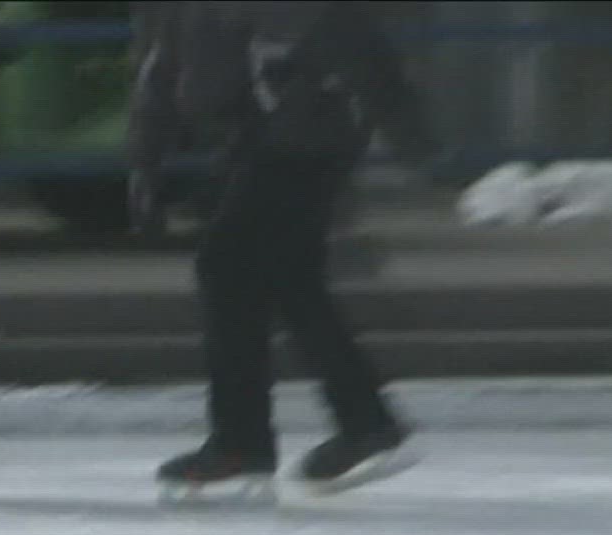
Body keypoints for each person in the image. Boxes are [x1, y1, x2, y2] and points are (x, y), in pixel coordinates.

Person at [130, 1, 436, 503]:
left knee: (228, 266)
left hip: (301, 130)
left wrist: (404, 126)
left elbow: (344, 31)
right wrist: (146, 162)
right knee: (288, 279)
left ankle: (245, 441)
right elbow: (161, 70)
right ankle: (360, 421)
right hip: (269, 133)